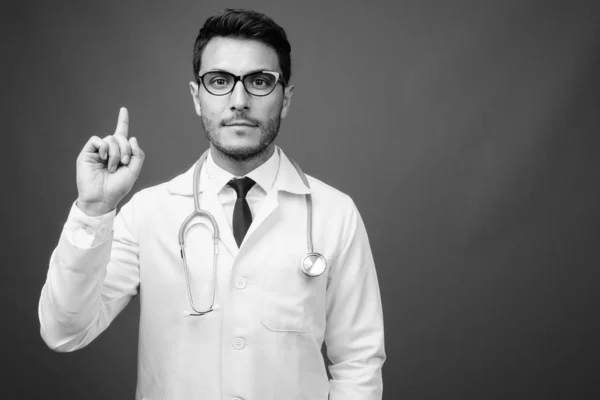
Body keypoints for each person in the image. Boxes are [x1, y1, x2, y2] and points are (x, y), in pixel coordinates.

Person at [38, 8, 385, 400]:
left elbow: (358, 363)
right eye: (219, 81)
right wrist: (94, 209)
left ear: (285, 99)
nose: (239, 101)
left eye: (259, 81)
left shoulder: (335, 214)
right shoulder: (149, 212)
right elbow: (63, 332)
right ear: (197, 98)